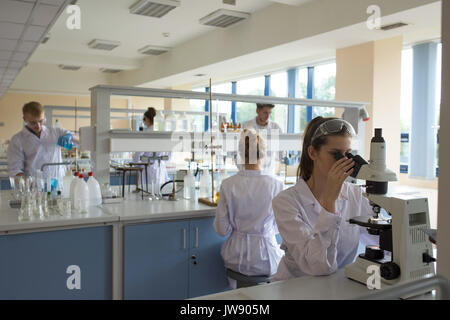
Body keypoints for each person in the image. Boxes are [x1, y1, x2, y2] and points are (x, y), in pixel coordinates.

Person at [271, 116, 378, 281]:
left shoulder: (355, 195)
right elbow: (318, 266)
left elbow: (378, 238)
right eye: (335, 154)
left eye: (347, 154)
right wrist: (330, 202)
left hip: (335, 288)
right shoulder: (286, 202)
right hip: (294, 290)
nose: (344, 161)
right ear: (313, 152)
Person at [214, 129, 284, 289]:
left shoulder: (228, 184)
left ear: (240, 153)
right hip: (266, 259)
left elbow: (221, 230)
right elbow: (279, 228)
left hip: (235, 258)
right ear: (263, 154)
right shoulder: (276, 185)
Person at [7, 101, 78, 184]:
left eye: (41, 121)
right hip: (35, 188)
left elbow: (80, 139)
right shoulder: (17, 140)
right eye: (33, 122)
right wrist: (28, 186)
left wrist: (71, 137)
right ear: (25, 119)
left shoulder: (55, 131)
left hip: (58, 184)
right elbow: (15, 170)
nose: (38, 126)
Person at [132, 107, 170, 193]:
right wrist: (163, 162)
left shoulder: (145, 134)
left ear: (148, 119)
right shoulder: (164, 132)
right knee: (160, 195)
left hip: (147, 169)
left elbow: (137, 156)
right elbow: (169, 155)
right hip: (161, 168)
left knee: (146, 196)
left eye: (144, 119)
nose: (144, 122)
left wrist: (137, 164)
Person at [242, 103, 283, 175]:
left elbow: (280, 151)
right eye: (265, 113)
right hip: (249, 172)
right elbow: (240, 149)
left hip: (269, 172)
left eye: (270, 113)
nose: (268, 116)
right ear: (257, 111)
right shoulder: (247, 125)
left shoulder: (275, 127)